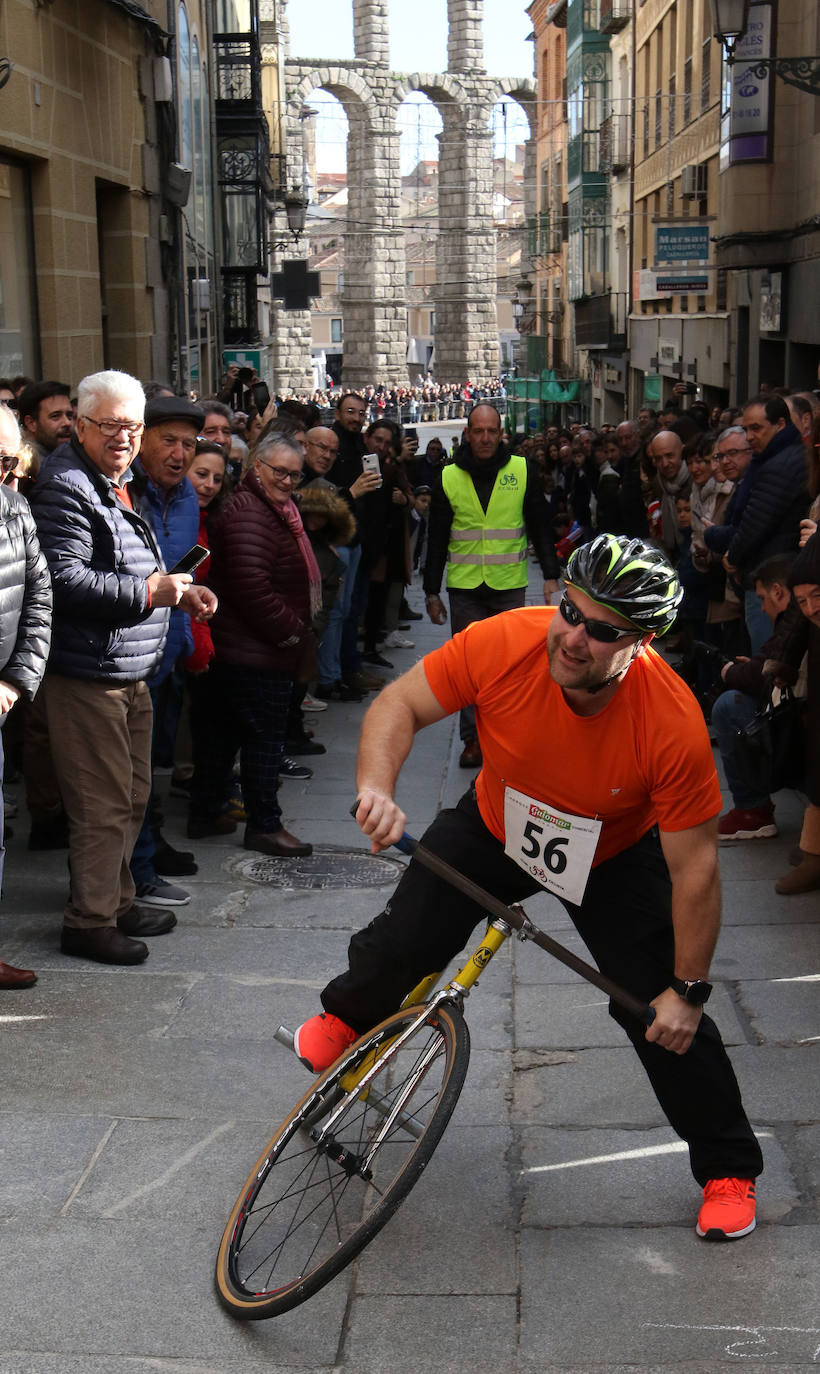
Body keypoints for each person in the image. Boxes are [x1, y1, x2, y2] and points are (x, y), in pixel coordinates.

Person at [294, 533, 764, 1242]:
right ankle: (346, 1016)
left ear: (643, 644)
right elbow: (400, 706)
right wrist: (375, 788)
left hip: (609, 848)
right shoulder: (504, 640)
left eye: (604, 632)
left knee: (658, 1011)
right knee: (408, 934)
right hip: (498, 817)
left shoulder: (671, 724)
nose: (575, 638)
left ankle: (728, 1168)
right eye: (569, 611)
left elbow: (695, 871)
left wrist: (690, 991)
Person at [31, 370, 204, 965]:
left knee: (131, 794)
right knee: (102, 804)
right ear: (80, 425)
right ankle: (90, 921)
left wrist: (177, 592)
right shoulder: (66, 484)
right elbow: (63, 580)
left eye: (133, 426)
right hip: (87, 672)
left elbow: (130, 566)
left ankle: (117, 900)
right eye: (111, 426)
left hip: (126, 666)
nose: (125, 438)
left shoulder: (112, 478)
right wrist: (151, 592)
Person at [188, 431, 317, 857]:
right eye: (279, 471)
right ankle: (265, 824)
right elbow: (251, 589)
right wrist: (293, 633)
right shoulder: (250, 512)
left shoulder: (268, 508)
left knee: (221, 735)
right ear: (256, 467)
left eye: (294, 475)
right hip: (254, 650)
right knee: (263, 738)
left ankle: (206, 812)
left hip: (239, 648)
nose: (286, 481)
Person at [423, 403, 559, 769]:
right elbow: (435, 539)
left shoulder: (522, 470)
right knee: (468, 667)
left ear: (501, 434)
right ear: (467, 434)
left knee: (510, 667)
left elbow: (539, 525)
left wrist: (550, 574)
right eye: (477, 431)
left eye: (491, 431)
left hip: (507, 586)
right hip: (465, 587)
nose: (484, 438)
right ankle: (473, 740)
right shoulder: (449, 477)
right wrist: (431, 591)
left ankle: (505, 735)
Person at [0, 403, 52, 988]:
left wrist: (15, 681)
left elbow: (39, 602)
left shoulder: (16, 509)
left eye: (10, 461)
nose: (5, 473)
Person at [704, 398, 810, 653]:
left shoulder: (780, 465)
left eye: (757, 428)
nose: (749, 436)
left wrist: (733, 555)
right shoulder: (773, 459)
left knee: (766, 655)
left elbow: (756, 523)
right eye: (746, 429)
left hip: (771, 573)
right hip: (765, 569)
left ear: (780, 424)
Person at [712, 554, 795, 841]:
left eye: (763, 598)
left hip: (800, 715)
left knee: (729, 705)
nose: (762, 607)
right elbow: (768, 662)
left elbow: (760, 673)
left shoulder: (795, 616)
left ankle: (752, 810)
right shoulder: (793, 618)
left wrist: (729, 673)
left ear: (777, 592)